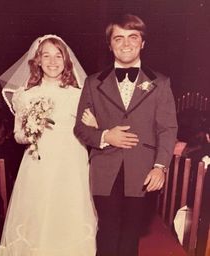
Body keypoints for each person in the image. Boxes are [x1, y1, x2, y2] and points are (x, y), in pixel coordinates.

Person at [74, 14, 178, 256]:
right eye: (118, 38)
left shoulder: (160, 83)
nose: (126, 43)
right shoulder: (93, 83)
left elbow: (168, 128)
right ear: (110, 45)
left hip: (143, 172)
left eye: (133, 37)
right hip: (105, 169)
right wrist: (105, 136)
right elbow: (80, 128)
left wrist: (160, 166)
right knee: (108, 231)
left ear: (143, 43)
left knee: (131, 234)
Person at [0, 35, 97, 256]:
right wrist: (32, 131)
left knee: (67, 215)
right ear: (38, 60)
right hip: (38, 164)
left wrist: (94, 124)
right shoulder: (25, 95)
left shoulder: (79, 94)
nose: (53, 61)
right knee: (38, 216)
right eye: (46, 55)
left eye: (58, 55)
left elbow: (91, 131)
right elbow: (17, 135)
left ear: (66, 60)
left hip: (70, 164)